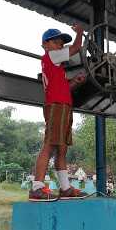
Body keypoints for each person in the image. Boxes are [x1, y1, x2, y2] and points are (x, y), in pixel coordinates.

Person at [29, 24, 88, 201]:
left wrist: (76, 82)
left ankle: (65, 188)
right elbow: (76, 48)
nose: (61, 45)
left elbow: (65, 88)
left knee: (61, 148)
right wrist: (80, 33)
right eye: (56, 42)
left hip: (64, 106)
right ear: (45, 45)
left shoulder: (57, 68)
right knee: (49, 145)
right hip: (56, 106)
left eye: (62, 43)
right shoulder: (51, 56)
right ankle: (37, 187)